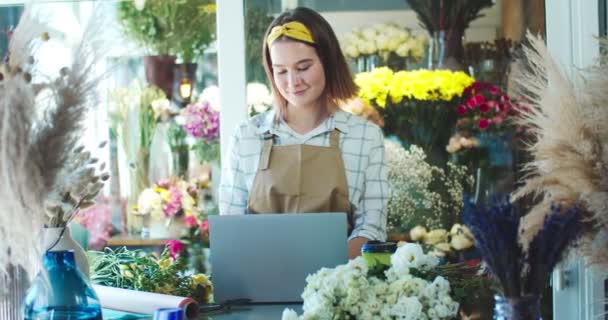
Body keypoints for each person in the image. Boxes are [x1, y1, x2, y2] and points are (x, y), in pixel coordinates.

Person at [219, 7, 388, 259]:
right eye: (281, 70)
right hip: (260, 286)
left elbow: (372, 227)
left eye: (303, 67)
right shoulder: (246, 136)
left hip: (339, 286)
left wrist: (325, 273)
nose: (292, 82)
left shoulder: (365, 137)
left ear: (328, 62)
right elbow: (231, 229)